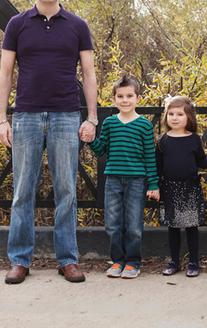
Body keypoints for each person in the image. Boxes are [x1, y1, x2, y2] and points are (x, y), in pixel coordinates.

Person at [0, 0, 98, 285]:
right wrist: (1, 119)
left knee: (66, 190)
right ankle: (19, 260)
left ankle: (67, 259)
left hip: (66, 116)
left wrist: (92, 117)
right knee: (22, 191)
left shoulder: (78, 26)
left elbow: (90, 74)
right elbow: (5, 74)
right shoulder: (17, 24)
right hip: (25, 116)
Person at [87, 76, 160, 279]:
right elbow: (101, 149)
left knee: (134, 224)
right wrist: (91, 140)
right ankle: (117, 261)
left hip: (137, 180)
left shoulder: (144, 126)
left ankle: (133, 263)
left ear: (138, 98)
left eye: (129, 96)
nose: (125, 100)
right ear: (114, 98)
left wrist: (153, 183)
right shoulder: (110, 123)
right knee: (112, 223)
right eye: (120, 96)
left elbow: (149, 157)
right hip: (113, 180)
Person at [156, 96, 207, 278]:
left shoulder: (194, 139)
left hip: (190, 188)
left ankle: (193, 262)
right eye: (171, 114)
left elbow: (201, 161)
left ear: (189, 117)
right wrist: (154, 186)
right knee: (173, 227)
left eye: (180, 114)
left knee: (191, 227)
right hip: (169, 188)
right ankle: (174, 262)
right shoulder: (162, 140)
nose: (174, 118)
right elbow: (158, 167)